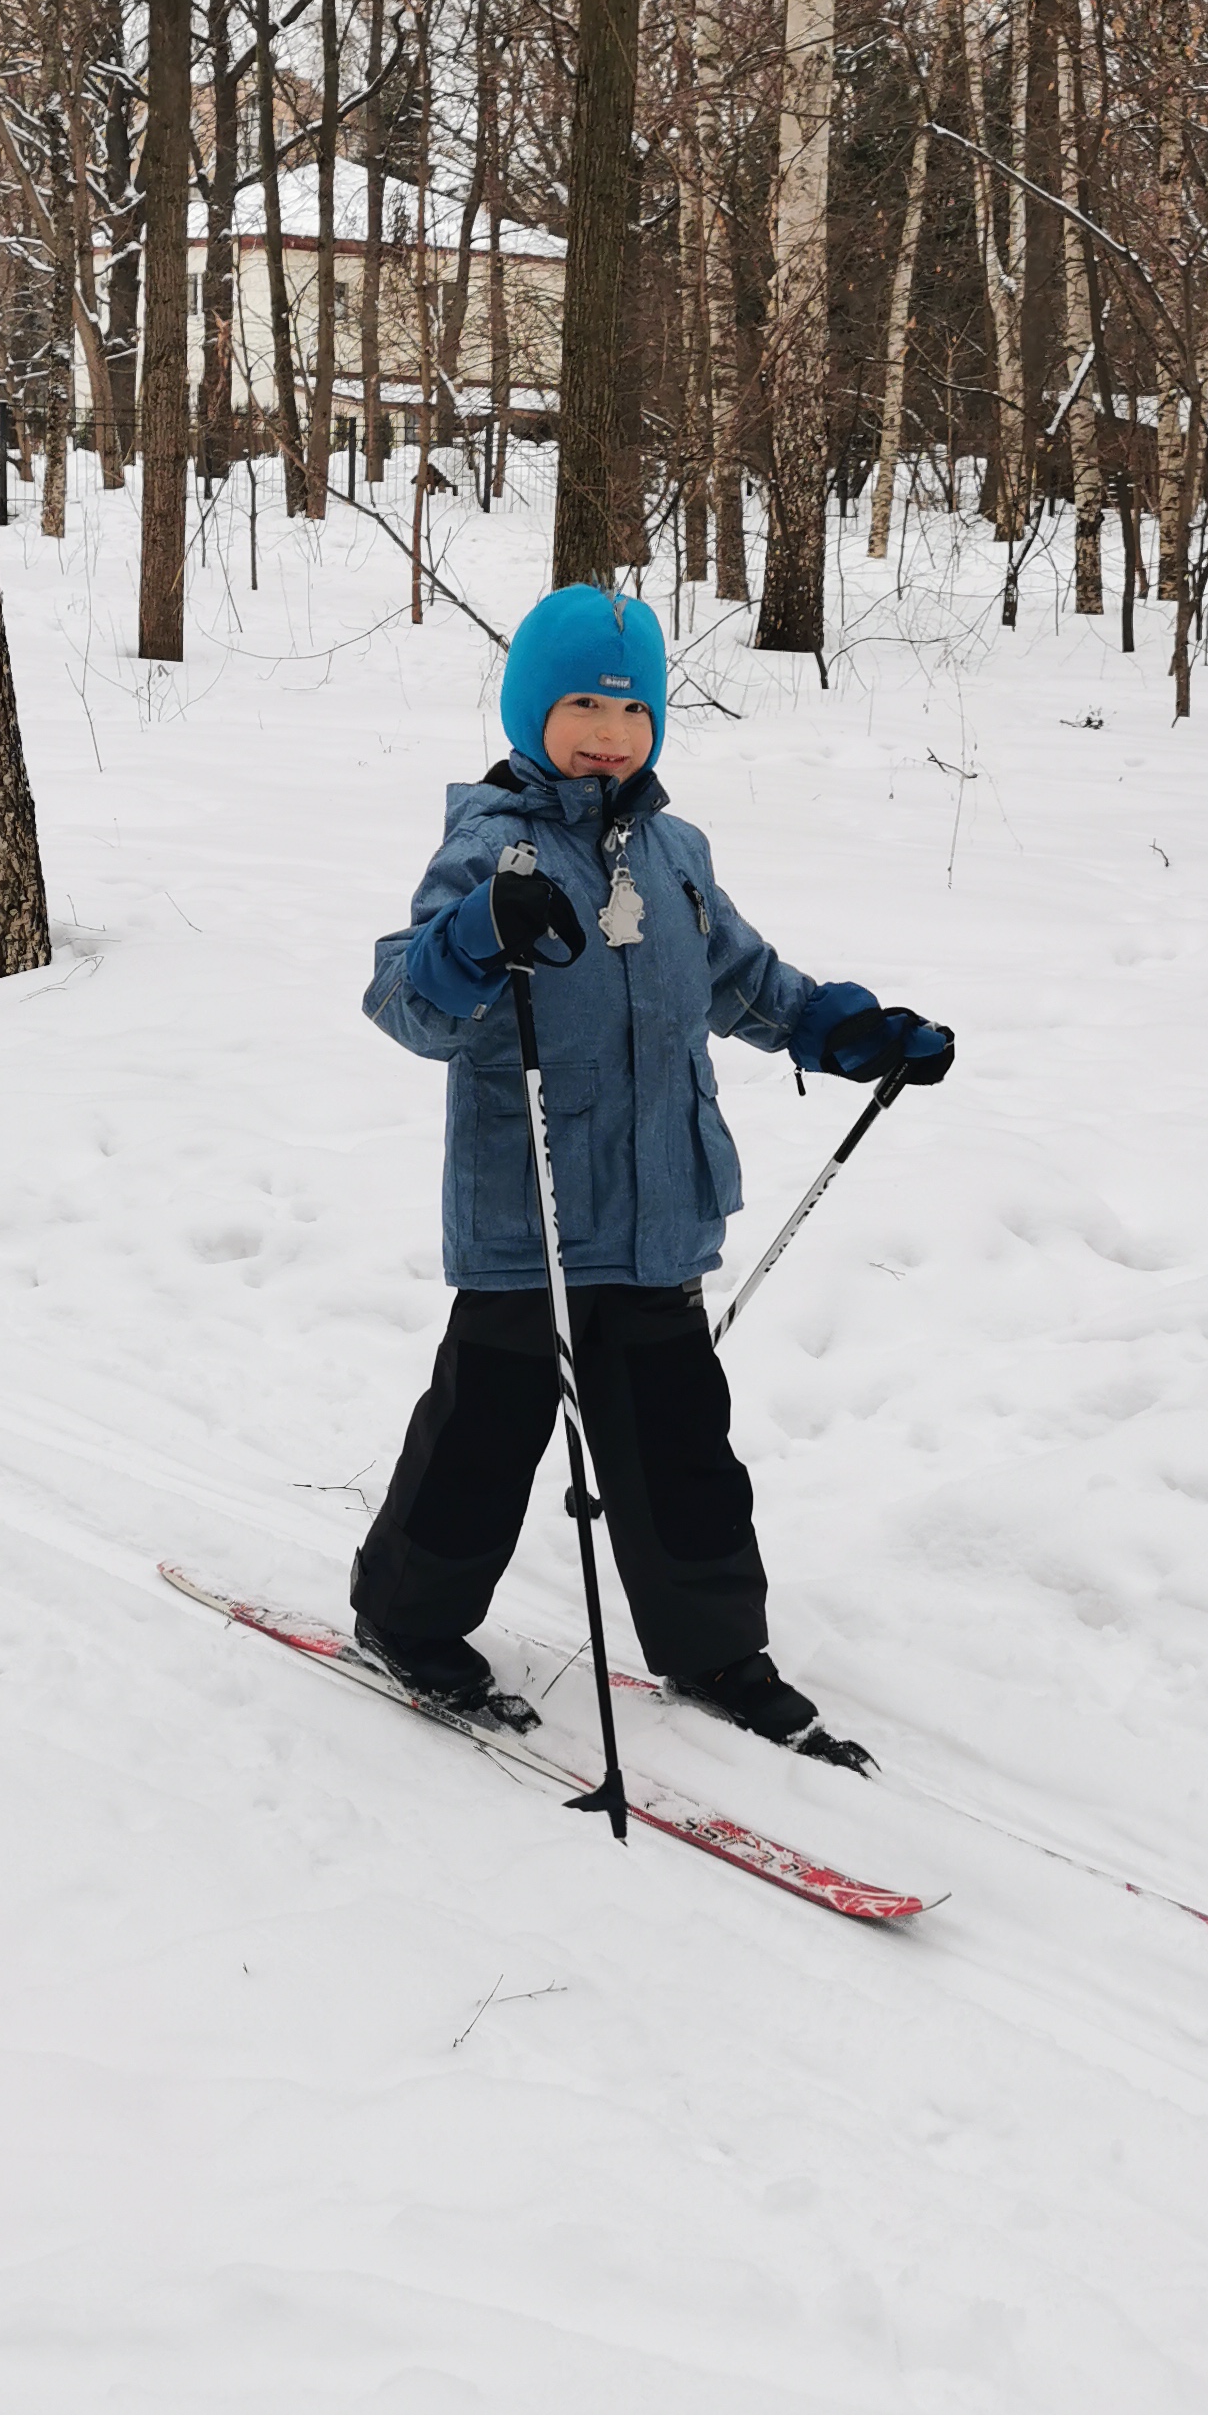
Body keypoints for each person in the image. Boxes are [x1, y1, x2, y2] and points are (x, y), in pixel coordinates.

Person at [354, 581, 952, 1760]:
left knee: (683, 1447)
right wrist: (479, 932)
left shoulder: (676, 854)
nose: (609, 733)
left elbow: (745, 983)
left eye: (633, 711)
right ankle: (407, 1618)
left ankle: (716, 1647)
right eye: (582, 704)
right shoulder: (490, 846)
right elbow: (405, 1001)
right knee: (483, 1438)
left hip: (662, 1213)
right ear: (532, 712)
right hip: (531, 1219)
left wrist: (846, 1032)